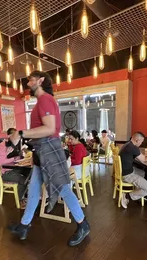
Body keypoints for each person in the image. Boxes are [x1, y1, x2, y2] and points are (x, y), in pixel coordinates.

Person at [8, 70, 90, 246]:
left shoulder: (45, 99)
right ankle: (24, 225)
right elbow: (42, 130)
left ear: (41, 80)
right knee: (34, 188)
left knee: (63, 189)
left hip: (49, 150)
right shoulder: (40, 102)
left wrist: (20, 133)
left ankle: (83, 225)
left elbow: (50, 128)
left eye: (31, 80)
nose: (28, 83)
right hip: (41, 151)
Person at [119, 132, 147, 209]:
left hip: (124, 171)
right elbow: (143, 160)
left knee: (142, 172)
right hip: (128, 175)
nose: (141, 143)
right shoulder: (133, 147)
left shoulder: (127, 144)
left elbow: (138, 157)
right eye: (141, 141)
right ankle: (127, 196)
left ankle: (139, 193)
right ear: (137, 140)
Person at [0, 128, 29, 208]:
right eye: (14, 135)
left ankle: (29, 197)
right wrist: (14, 157)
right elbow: (2, 162)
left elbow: (18, 160)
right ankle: (20, 200)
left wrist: (21, 155)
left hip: (15, 169)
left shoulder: (15, 145)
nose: (16, 138)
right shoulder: (1, 146)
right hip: (6, 173)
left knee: (30, 175)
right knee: (23, 180)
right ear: (8, 136)